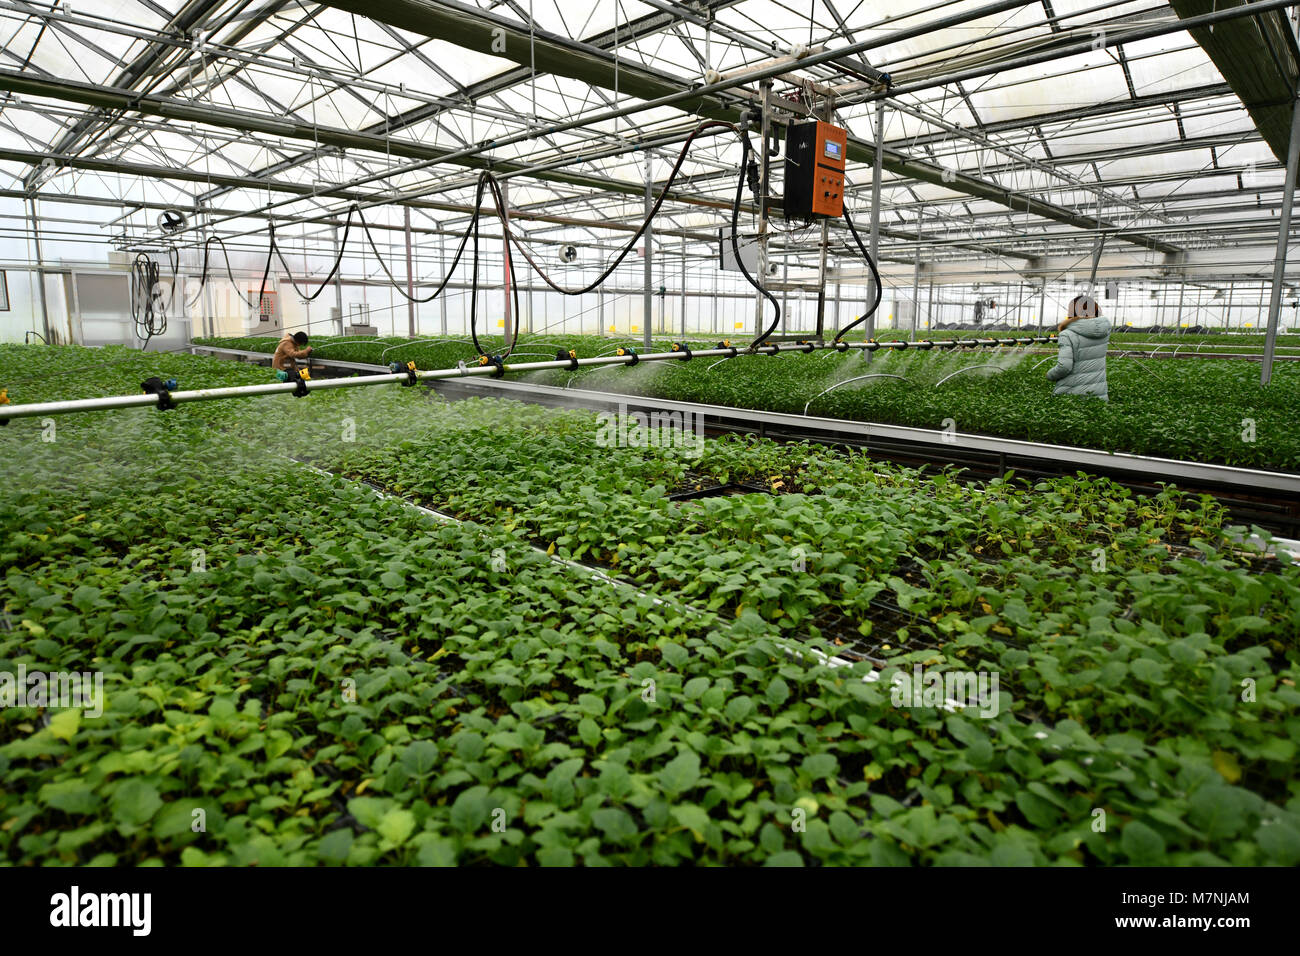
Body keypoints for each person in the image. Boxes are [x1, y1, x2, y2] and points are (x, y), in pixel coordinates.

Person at [1046, 295, 1110, 401]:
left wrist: (1049, 375)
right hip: (1099, 396)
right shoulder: (1104, 332)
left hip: (1072, 395)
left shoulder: (1067, 334)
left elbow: (1064, 367)